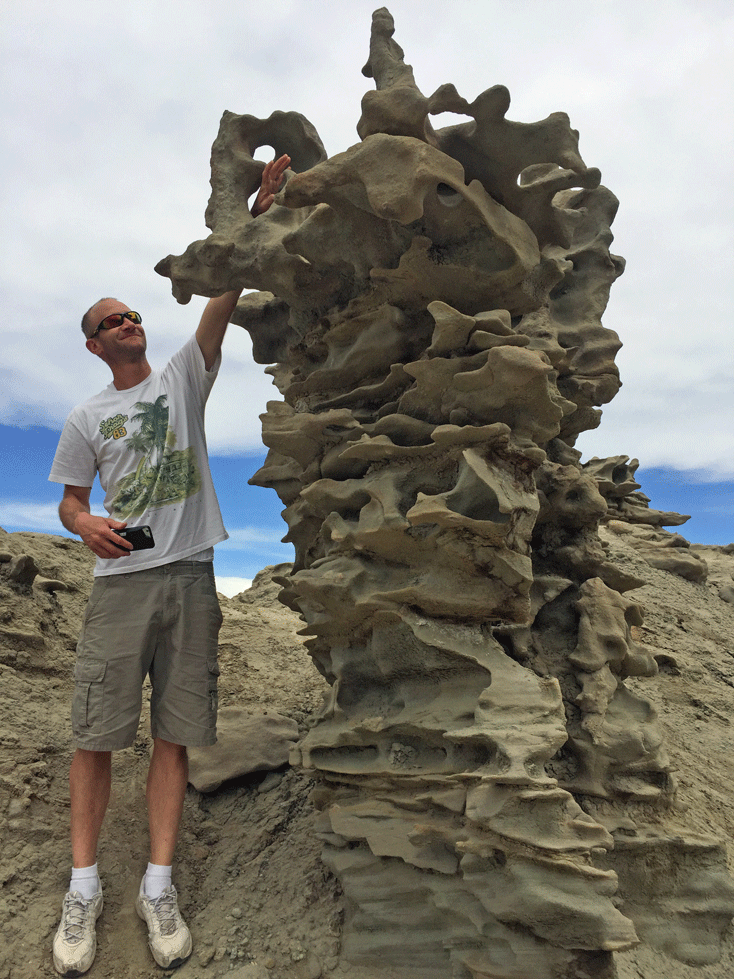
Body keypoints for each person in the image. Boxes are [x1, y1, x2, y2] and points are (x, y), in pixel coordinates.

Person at [48, 154, 290, 976]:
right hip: (119, 585)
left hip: (191, 577)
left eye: (134, 315)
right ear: (92, 342)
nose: (129, 323)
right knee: (94, 735)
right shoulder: (86, 415)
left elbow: (223, 290)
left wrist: (256, 213)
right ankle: (83, 887)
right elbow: (69, 501)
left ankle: (158, 883)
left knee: (175, 735)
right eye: (113, 321)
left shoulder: (186, 375)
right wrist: (86, 527)